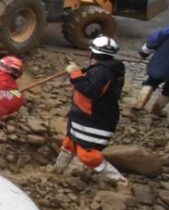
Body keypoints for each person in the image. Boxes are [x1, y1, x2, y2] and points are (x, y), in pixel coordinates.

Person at [52, 36, 127, 185]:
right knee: (70, 143)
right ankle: (57, 170)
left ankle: (119, 181)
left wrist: (75, 73)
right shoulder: (104, 69)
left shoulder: (101, 72)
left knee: (88, 155)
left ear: (92, 53)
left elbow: (90, 90)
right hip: (84, 116)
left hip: (95, 120)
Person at [134, 26, 169, 116]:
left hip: (161, 63)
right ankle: (156, 111)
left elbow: (154, 40)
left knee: (151, 81)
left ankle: (139, 103)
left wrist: (144, 52)